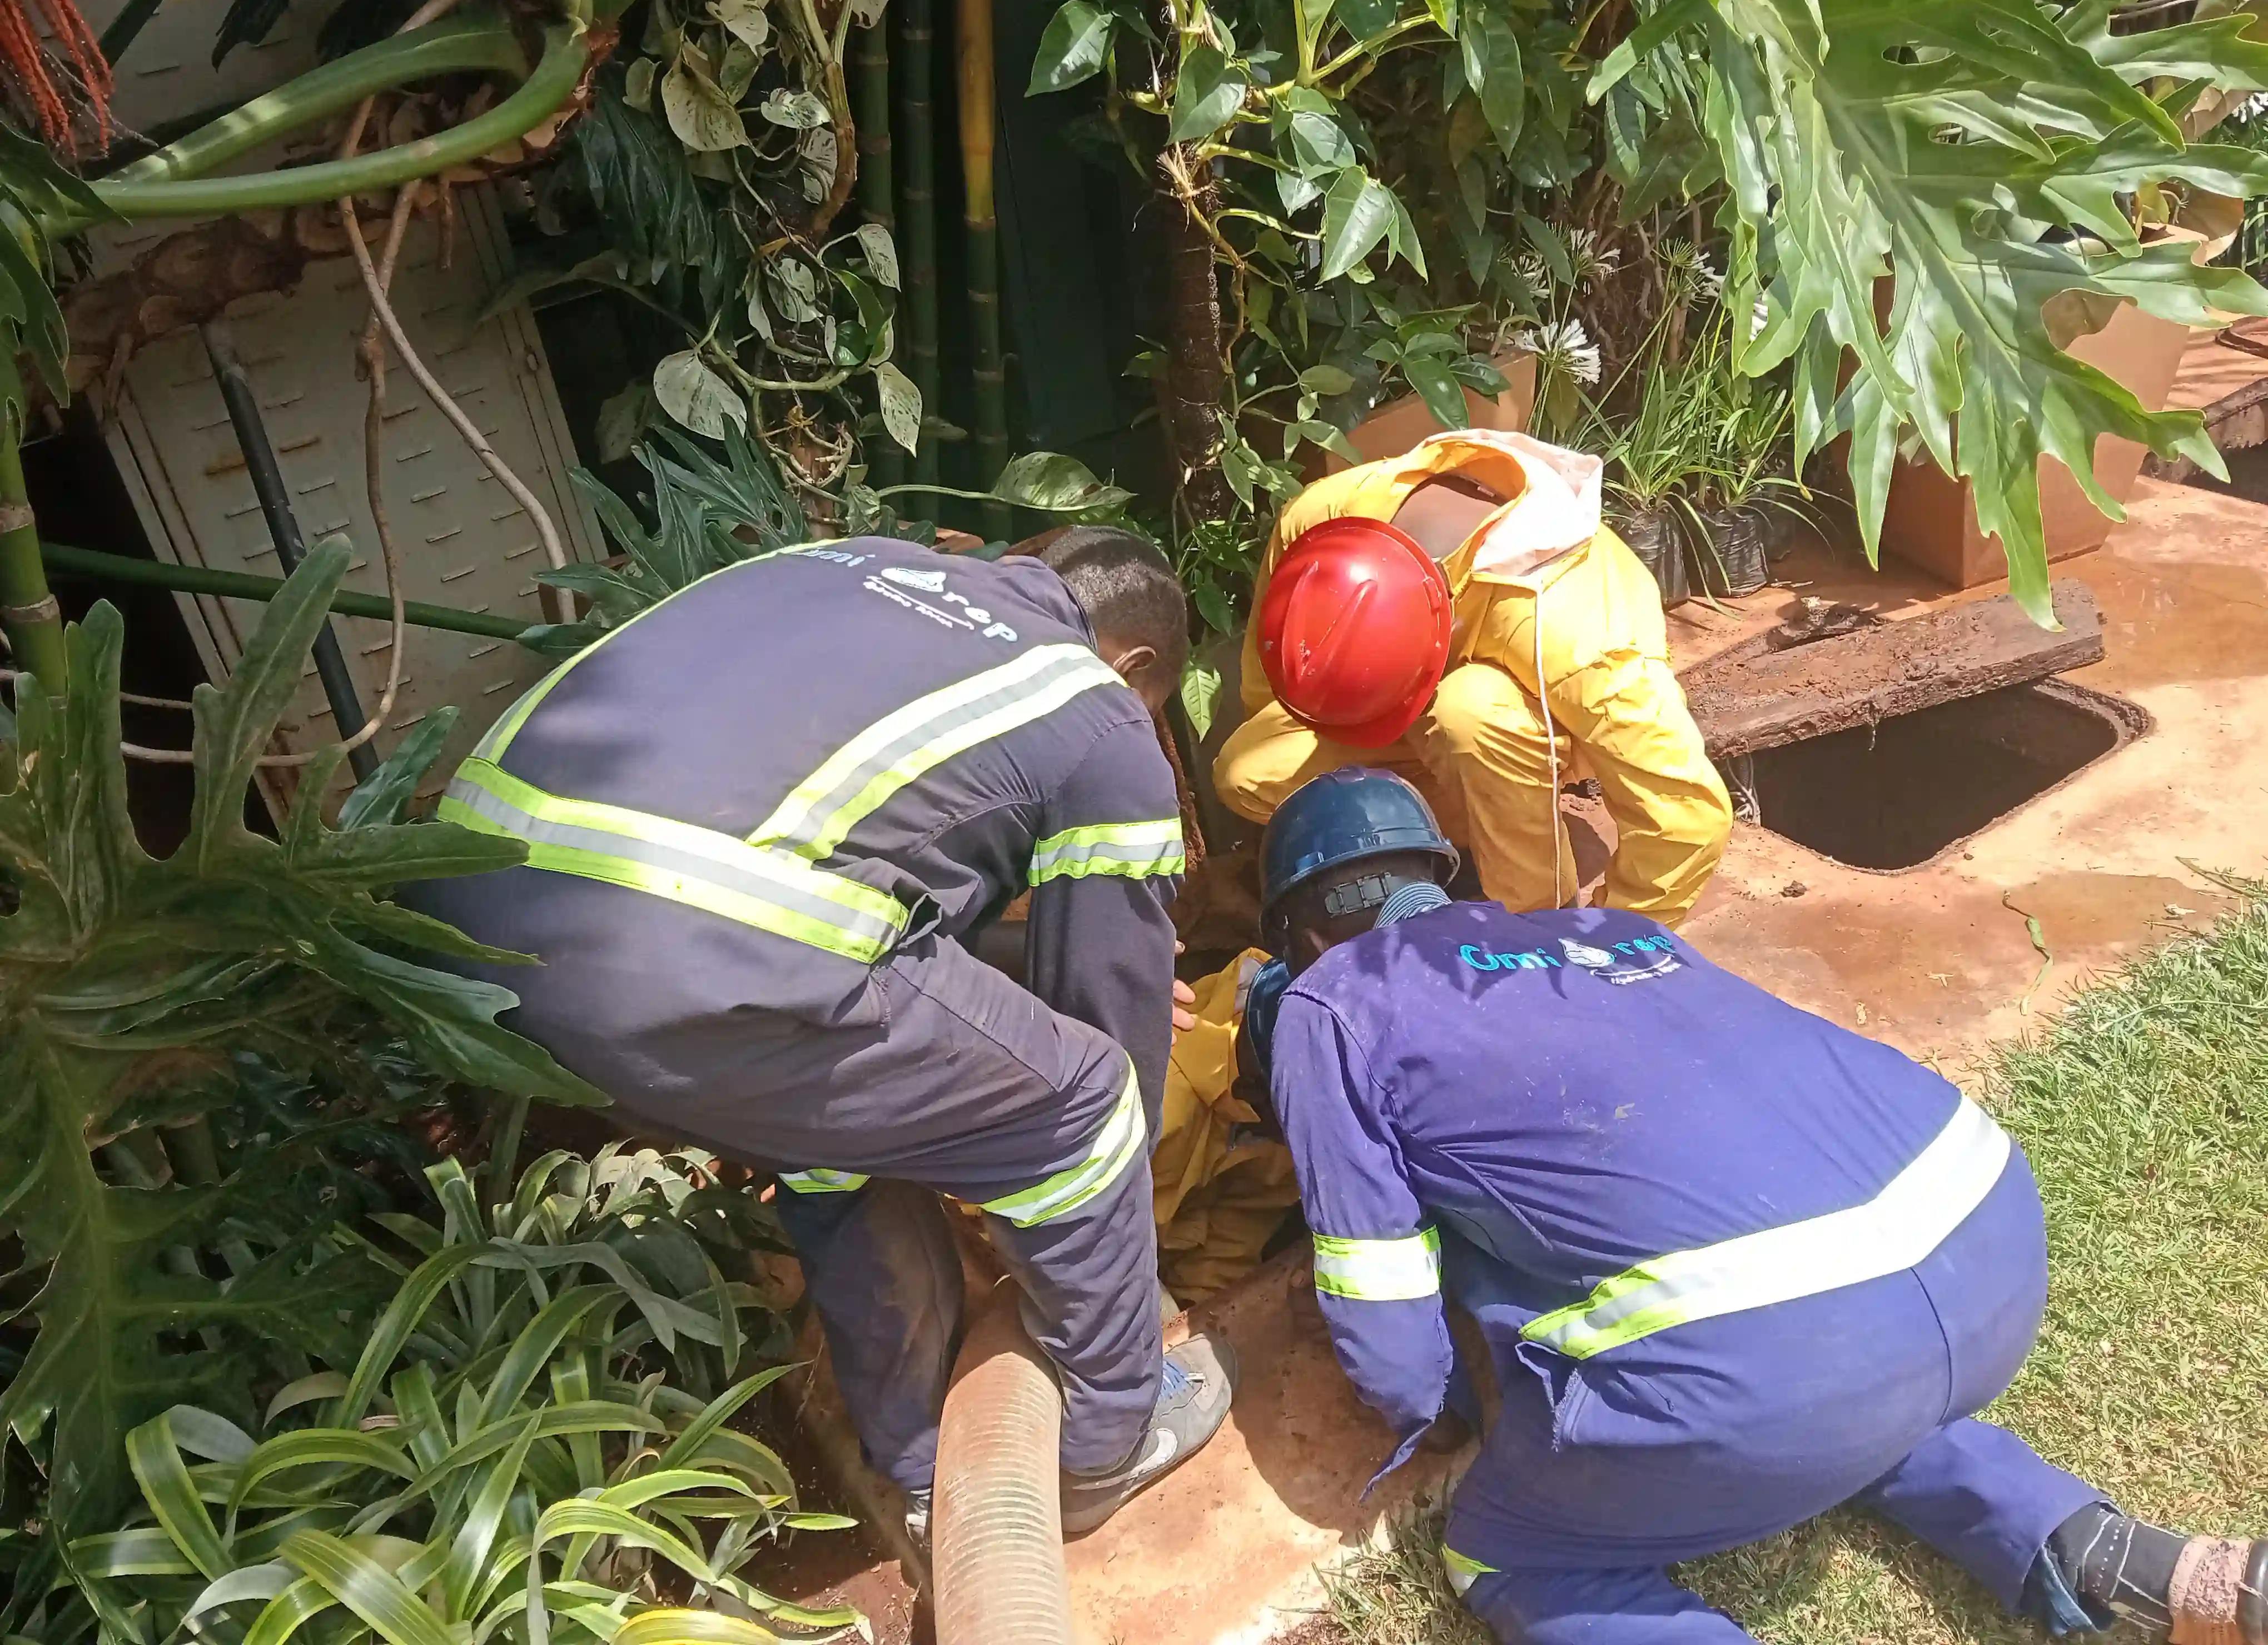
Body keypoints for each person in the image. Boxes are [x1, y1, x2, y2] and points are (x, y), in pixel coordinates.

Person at [1240, 765, 2266, 1644]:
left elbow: (1384, 1316)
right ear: (1439, 876)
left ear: (1303, 934)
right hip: (1986, 1239)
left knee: (1502, 1550)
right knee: (1836, 1374)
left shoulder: (1332, 1003)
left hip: (1776, 1365)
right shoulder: (1610, 930)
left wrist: (1446, 1418)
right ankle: (2123, 1560)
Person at [410, 527, 1234, 1538]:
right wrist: (1096, 1191)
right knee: (1090, 1103)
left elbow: (877, 865)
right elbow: (1107, 1019)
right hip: (702, 954)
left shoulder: (857, 563)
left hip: (469, 918)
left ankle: (928, 1467)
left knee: (830, 1138)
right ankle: (1115, 1433)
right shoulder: (1092, 706)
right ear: (1136, 666)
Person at [1212, 430, 1731, 926]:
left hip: (1524, 720)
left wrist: (1606, 942)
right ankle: (1452, 840)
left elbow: (1687, 819)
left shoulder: (1575, 635)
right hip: (1418, 717)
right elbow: (1272, 691)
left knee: (1472, 710)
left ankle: (1534, 916)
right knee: (1251, 775)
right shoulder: (1323, 523)